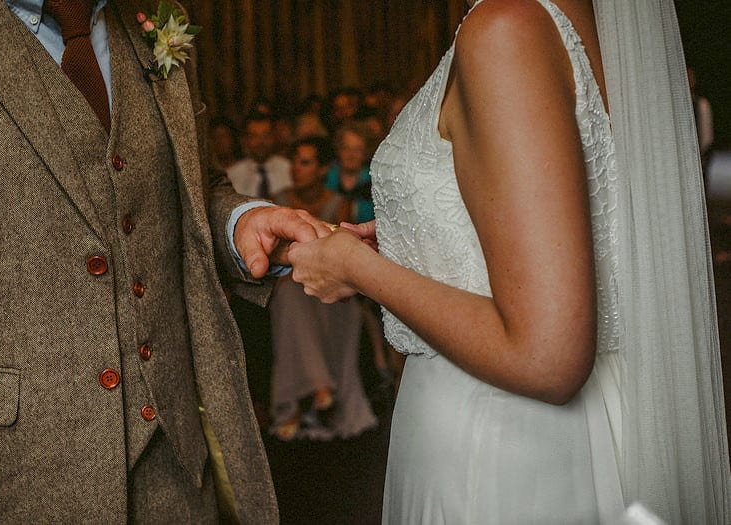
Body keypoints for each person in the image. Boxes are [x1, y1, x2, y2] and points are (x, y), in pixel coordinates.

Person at [0, 0, 330, 522]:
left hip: (180, 475)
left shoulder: (156, 18)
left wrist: (239, 222)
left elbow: (184, 186)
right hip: (9, 485)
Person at [288, 0, 731, 522]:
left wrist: (355, 268)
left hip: (500, 441)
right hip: (587, 432)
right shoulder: (587, 24)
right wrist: (419, 238)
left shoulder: (506, 29)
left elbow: (546, 358)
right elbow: (573, 221)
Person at [268, 137, 377, 441]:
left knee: (325, 302)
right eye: (293, 161)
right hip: (288, 286)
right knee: (291, 296)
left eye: (304, 162)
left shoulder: (338, 205)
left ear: (322, 169)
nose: (295, 169)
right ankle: (319, 386)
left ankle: (305, 397)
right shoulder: (277, 202)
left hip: (331, 292)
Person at [226, 112, 292, 199]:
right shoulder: (232, 175)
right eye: (254, 136)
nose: (261, 142)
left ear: (274, 137)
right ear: (245, 140)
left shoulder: (289, 170)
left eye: (266, 135)